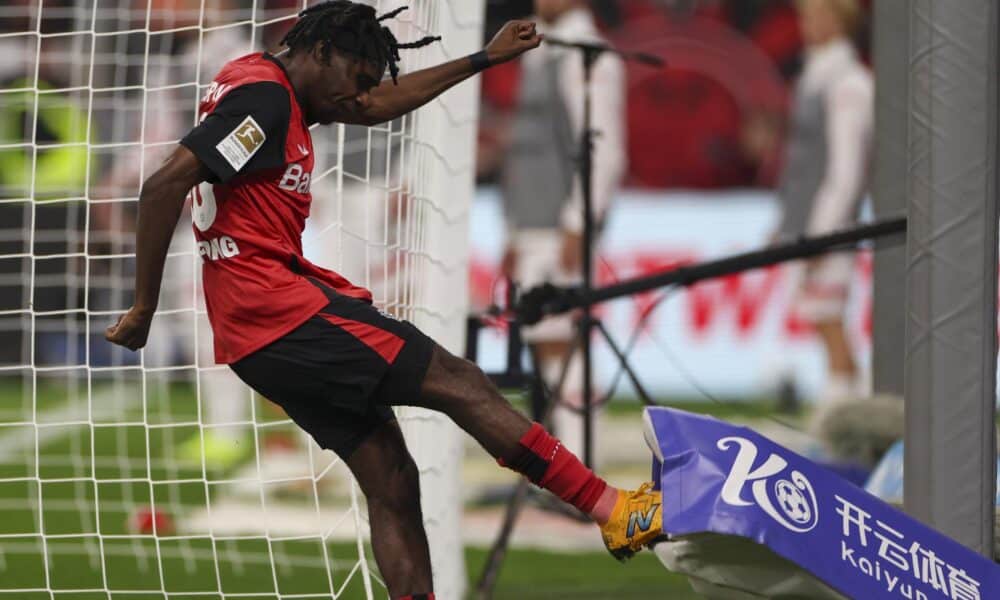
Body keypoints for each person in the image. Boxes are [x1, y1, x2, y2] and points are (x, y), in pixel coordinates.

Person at [104, 3, 663, 598]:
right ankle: (610, 509)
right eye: (358, 78)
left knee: (393, 480)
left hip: (257, 334)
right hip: (282, 316)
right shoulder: (264, 103)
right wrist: (144, 307)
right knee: (461, 381)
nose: (360, 96)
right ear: (321, 53)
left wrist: (483, 58)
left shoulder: (267, 86)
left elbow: (372, 106)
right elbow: (165, 183)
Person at [500, 0, 626, 458]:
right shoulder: (540, 49)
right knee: (545, 339)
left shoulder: (588, 53)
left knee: (558, 339)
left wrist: (578, 221)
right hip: (533, 216)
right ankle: (569, 457)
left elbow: (605, 147)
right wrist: (513, 228)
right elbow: (525, 149)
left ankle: (579, 459)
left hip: (559, 218)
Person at [775, 0, 872, 403]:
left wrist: (822, 234)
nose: (806, 25)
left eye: (815, 16)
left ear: (839, 20)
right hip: (805, 219)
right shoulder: (816, 75)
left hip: (829, 225)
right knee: (821, 322)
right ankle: (842, 415)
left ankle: (846, 421)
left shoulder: (849, 82)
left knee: (831, 324)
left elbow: (845, 171)